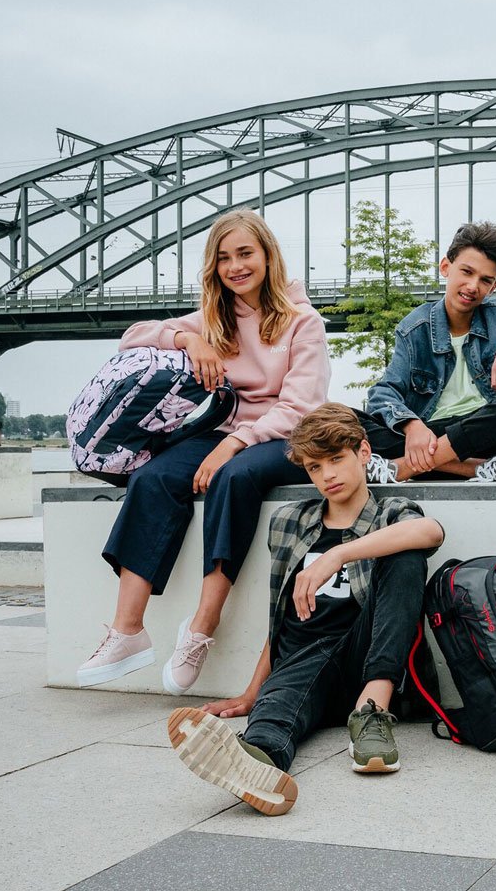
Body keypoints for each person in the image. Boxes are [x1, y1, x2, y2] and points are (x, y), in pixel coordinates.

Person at [77, 208, 330, 695]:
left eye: (245, 254)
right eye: (224, 258)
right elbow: (131, 338)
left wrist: (235, 444)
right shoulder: (216, 318)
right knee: (152, 477)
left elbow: (300, 407)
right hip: (221, 432)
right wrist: (189, 338)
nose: (236, 266)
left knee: (233, 478)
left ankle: (201, 628)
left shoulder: (303, 321)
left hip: (284, 437)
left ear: (268, 256)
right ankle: (127, 630)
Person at [167, 403, 443, 815]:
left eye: (336, 459)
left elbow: (430, 531)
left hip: (362, 659)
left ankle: (373, 713)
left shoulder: (390, 513)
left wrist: (337, 555)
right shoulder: (291, 521)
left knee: (406, 556)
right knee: (273, 713)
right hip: (303, 656)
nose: (328, 475)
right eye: (315, 467)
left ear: (363, 453)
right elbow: (279, 616)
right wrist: (252, 691)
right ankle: (257, 766)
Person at [361, 221, 496, 483]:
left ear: (493, 287)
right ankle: (476, 469)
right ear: (445, 267)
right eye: (467, 272)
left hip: (491, 433)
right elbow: (383, 392)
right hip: (433, 434)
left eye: (485, 280)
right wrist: (412, 425)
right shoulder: (415, 327)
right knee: (346, 421)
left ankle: (405, 468)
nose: (473, 286)